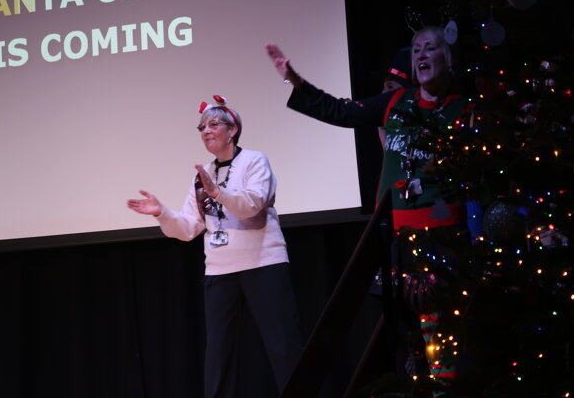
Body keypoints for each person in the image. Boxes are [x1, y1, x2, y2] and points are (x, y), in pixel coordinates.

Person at [265, 26, 475, 390]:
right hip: (397, 241)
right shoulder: (396, 102)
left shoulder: (465, 111)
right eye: (416, 50)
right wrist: (295, 80)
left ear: (448, 58)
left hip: (443, 239)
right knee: (405, 334)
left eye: (430, 49)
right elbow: (340, 111)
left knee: (444, 332)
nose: (421, 56)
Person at [126, 95, 303, 398]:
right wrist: (162, 213)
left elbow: (252, 206)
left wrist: (217, 192)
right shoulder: (203, 175)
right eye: (202, 127)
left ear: (232, 130)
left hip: (263, 263)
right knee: (218, 356)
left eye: (213, 124)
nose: (206, 131)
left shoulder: (254, 161)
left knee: (283, 346)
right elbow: (188, 228)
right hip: (220, 271)